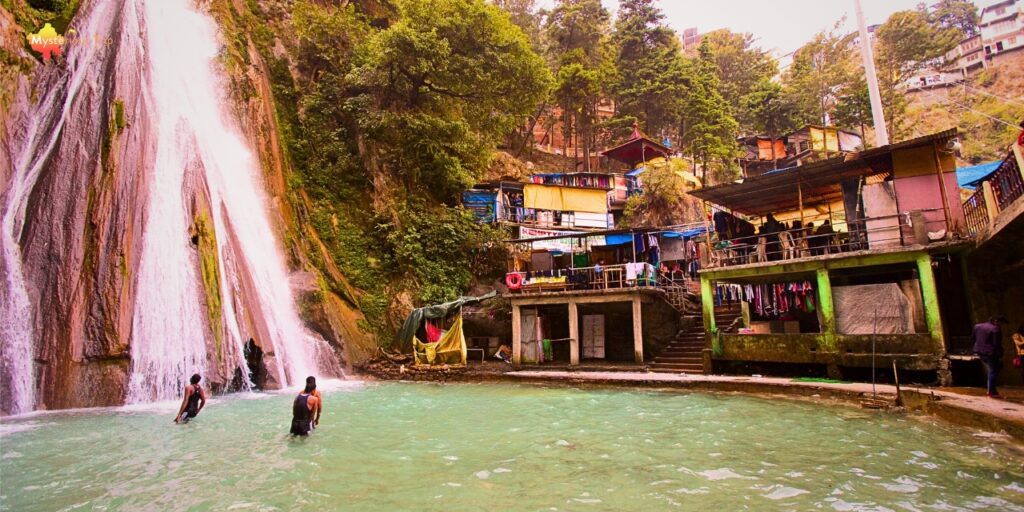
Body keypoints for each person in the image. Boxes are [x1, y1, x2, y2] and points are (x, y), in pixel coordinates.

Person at [972, 316, 1007, 398]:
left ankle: (992, 391)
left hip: (979, 351)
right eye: (1001, 323)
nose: (1001, 326)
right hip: (990, 353)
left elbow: (973, 338)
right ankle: (991, 392)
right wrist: (1000, 354)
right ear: (996, 321)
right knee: (993, 371)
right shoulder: (995, 329)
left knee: (993, 369)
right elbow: (996, 344)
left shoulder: (977, 326)